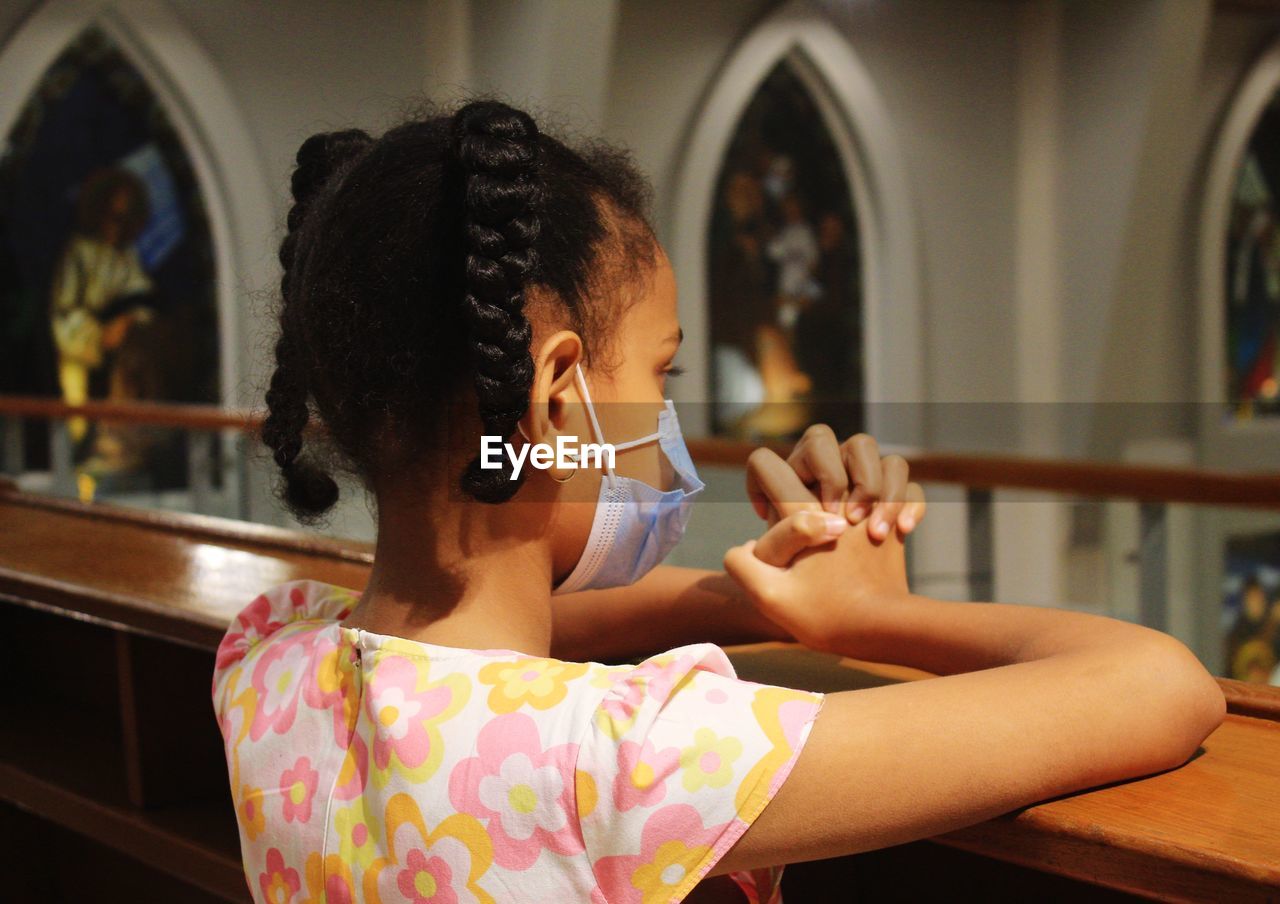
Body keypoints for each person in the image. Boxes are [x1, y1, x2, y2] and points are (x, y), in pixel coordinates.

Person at [211, 99, 1225, 904]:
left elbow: (485, 634)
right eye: (661, 374)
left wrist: (740, 603)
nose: (667, 418)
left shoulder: (266, 659)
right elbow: (1162, 685)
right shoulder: (615, 762)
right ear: (554, 397)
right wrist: (875, 618)